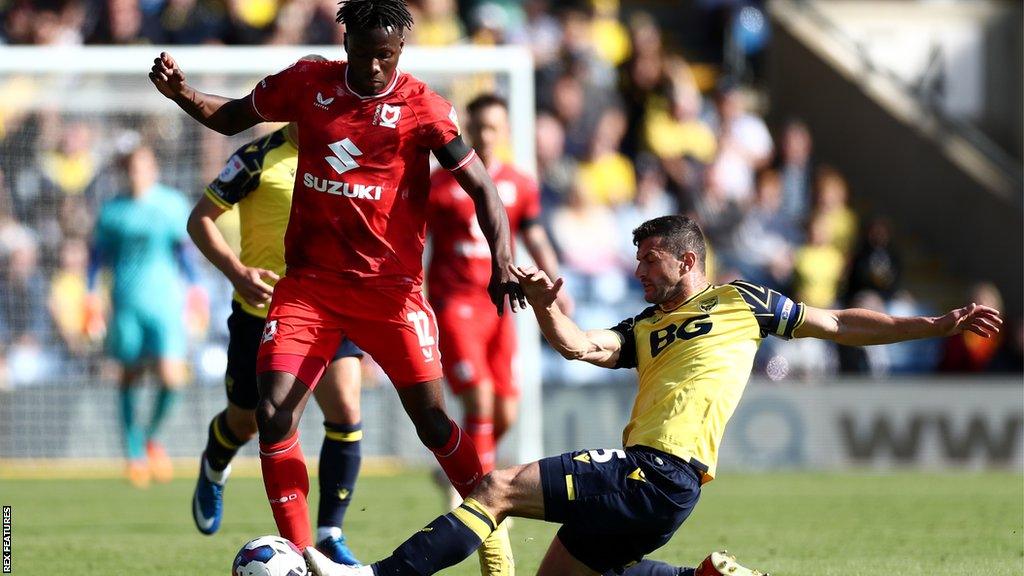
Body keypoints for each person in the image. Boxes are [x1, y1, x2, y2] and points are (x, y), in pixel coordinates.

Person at [303, 214, 1002, 576]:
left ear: (687, 260)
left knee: (494, 486)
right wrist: (548, 306)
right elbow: (580, 345)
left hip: (660, 470)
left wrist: (933, 322)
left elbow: (840, 322)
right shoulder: (646, 327)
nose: (638, 272)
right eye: (636, 260)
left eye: (649, 260)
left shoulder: (743, 301)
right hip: (660, 488)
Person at [148, 1, 524, 571]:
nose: (375, 67)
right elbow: (232, 117)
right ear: (344, 42)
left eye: (387, 56)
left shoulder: (423, 107)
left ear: (400, 52)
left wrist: (504, 260)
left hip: (390, 291)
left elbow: (483, 188)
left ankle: (489, 518)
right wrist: (182, 92)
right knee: (275, 413)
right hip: (310, 288)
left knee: (431, 421)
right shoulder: (308, 83)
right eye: (365, 53)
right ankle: (305, 556)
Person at [186, 121, 365, 565]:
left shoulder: (345, 154)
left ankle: (328, 535)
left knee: (345, 409)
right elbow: (199, 220)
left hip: (327, 310)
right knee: (247, 422)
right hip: (260, 315)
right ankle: (215, 459)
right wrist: (236, 272)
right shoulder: (255, 159)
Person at [426, 93, 570, 492]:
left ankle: (458, 471)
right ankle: (482, 496)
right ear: (468, 130)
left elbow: (535, 235)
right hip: (454, 303)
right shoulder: (439, 184)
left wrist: (556, 281)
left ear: (506, 131)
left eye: (494, 127)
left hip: (502, 305)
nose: (487, 136)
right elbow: (415, 238)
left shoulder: (520, 184)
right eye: (480, 127)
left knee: (506, 409)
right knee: (480, 398)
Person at [88, 142, 203, 488]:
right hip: (125, 302)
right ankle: (134, 452)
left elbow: (184, 253)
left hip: (165, 302)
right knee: (129, 376)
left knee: (171, 377)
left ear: (153, 168)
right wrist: (90, 295)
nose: (136, 173)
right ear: (124, 172)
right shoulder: (112, 211)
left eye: (142, 166)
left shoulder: (171, 205)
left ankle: (150, 436)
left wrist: (196, 291)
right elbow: (97, 258)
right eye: (130, 168)